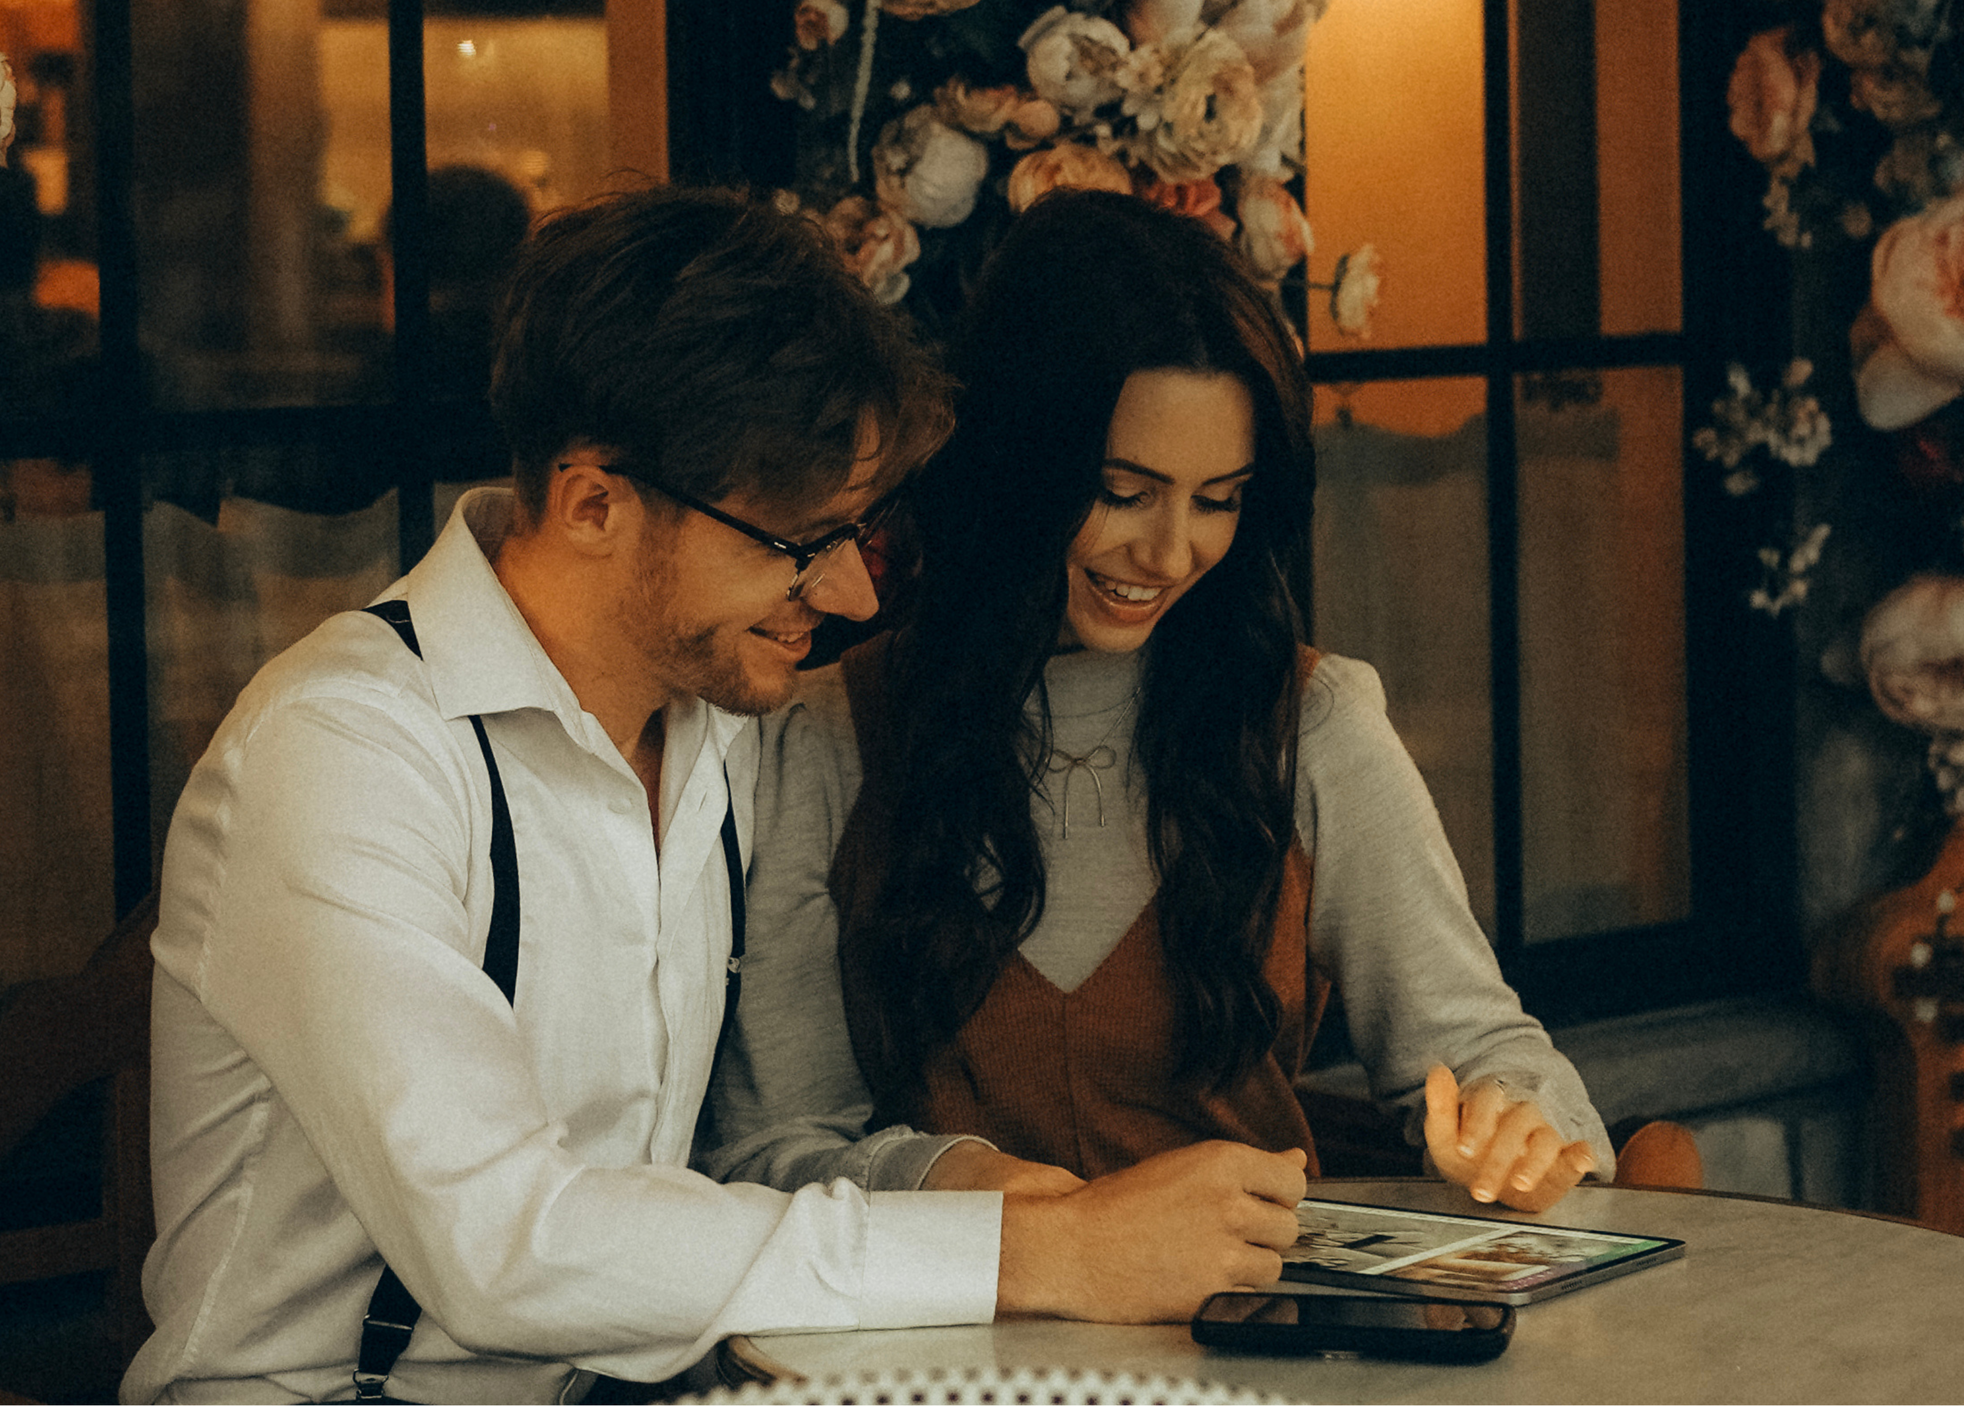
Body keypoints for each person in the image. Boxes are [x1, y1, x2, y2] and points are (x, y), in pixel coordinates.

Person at [126, 185, 1306, 1406]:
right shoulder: (349, 751)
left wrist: (974, 1185)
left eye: (859, 534)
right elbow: (502, 1244)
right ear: (594, 504)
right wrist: (1041, 1253)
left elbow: (716, 1167)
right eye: (798, 542)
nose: (849, 594)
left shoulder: (726, 729)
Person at [700, 191, 1614, 1226]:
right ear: (1017, 467)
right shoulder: (828, 734)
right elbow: (769, 1144)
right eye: (1124, 491)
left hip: (1252, 1353)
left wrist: (1518, 1124)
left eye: (1217, 499)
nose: (1172, 552)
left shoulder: (1311, 724)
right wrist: (945, 1176)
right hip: (950, 1354)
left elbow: (1489, 1052)